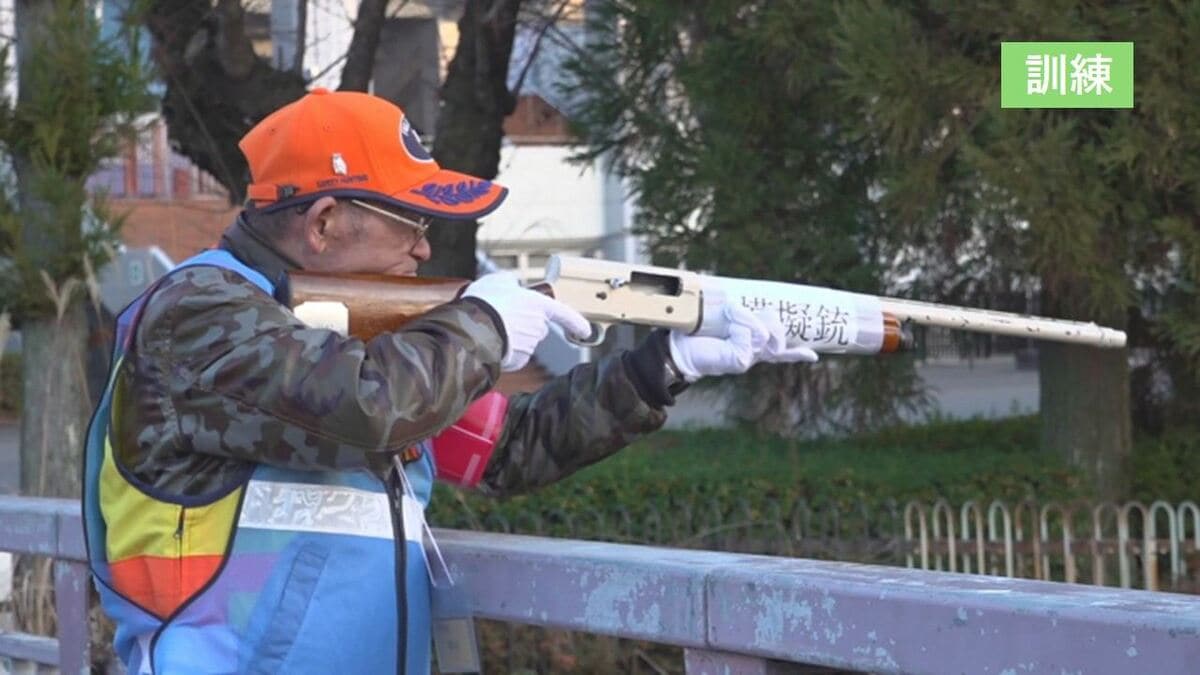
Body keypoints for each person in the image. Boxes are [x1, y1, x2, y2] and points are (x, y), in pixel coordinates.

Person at [82, 88, 816, 674]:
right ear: (327, 222)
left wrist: (663, 367)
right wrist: (483, 327)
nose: (425, 245)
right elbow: (369, 407)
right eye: (408, 220)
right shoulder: (197, 313)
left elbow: (507, 448)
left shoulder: (373, 341)